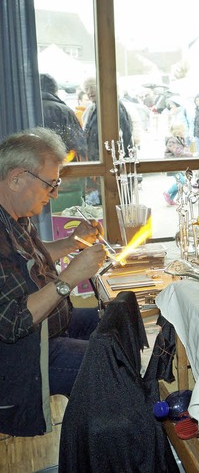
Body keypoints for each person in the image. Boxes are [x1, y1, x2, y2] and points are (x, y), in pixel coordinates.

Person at [0, 128, 106, 436]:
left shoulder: (15, 215)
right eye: (50, 184)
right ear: (16, 178)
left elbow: (32, 255)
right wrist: (71, 276)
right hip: (24, 354)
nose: (55, 194)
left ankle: (93, 426)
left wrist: (73, 243)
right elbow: (13, 322)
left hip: (50, 328)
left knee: (112, 322)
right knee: (105, 364)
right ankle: (96, 448)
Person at [40, 74, 88, 161]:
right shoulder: (64, 111)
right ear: (55, 90)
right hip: (63, 168)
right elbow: (78, 145)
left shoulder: (25, 110)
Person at [163, 131, 193, 206]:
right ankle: (167, 193)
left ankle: (170, 199)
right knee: (181, 182)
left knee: (180, 183)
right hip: (172, 165)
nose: (184, 132)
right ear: (178, 131)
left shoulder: (179, 140)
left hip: (177, 165)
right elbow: (178, 152)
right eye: (182, 130)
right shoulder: (172, 140)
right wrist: (189, 154)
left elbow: (183, 150)